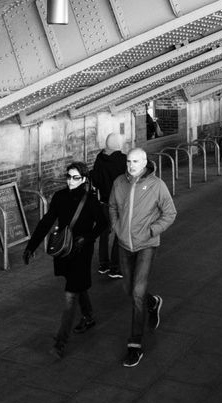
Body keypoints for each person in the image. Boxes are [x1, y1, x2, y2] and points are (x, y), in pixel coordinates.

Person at [23, 162, 106, 359]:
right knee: (77, 285)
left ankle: (60, 343)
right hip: (64, 249)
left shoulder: (91, 200)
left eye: (75, 177)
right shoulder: (60, 196)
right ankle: (88, 316)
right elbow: (46, 221)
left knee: (71, 295)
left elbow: (102, 224)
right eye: (68, 176)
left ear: (84, 179)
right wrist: (31, 246)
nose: (70, 181)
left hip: (82, 251)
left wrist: (87, 237)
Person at [109, 147, 177, 368]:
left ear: (145, 162)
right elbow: (111, 206)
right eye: (128, 161)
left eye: (135, 161)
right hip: (123, 244)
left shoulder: (157, 185)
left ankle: (134, 346)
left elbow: (170, 212)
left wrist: (151, 231)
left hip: (146, 244)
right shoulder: (119, 182)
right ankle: (153, 302)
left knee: (137, 292)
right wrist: (116, 227)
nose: (131, 166)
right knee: (129, 289)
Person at [91, 133, 126, 278]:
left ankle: (103, 264)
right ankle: (115, 267)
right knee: (119, 234)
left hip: (104, 202)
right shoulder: (123, 160)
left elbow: (96, 180)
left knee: (104, 233)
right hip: (119, 203)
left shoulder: (99, 159)